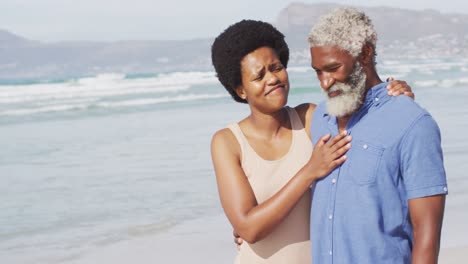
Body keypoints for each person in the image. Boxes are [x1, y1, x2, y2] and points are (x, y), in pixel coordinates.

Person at [210, 20, 413, 263]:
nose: (273, 78)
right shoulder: (227, 142)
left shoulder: (309, 118)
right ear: (240, 90)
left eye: (276, 67)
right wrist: (309, 172)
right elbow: (249, 229)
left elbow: (366, 137)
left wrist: (391, 94)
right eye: (259, 76)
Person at [307, 7, 447, 264]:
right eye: (318, 71)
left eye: (333, 68)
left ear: (365, 54)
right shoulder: (319, 119)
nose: (325, 82)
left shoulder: (413, 123)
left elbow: (427, 234)